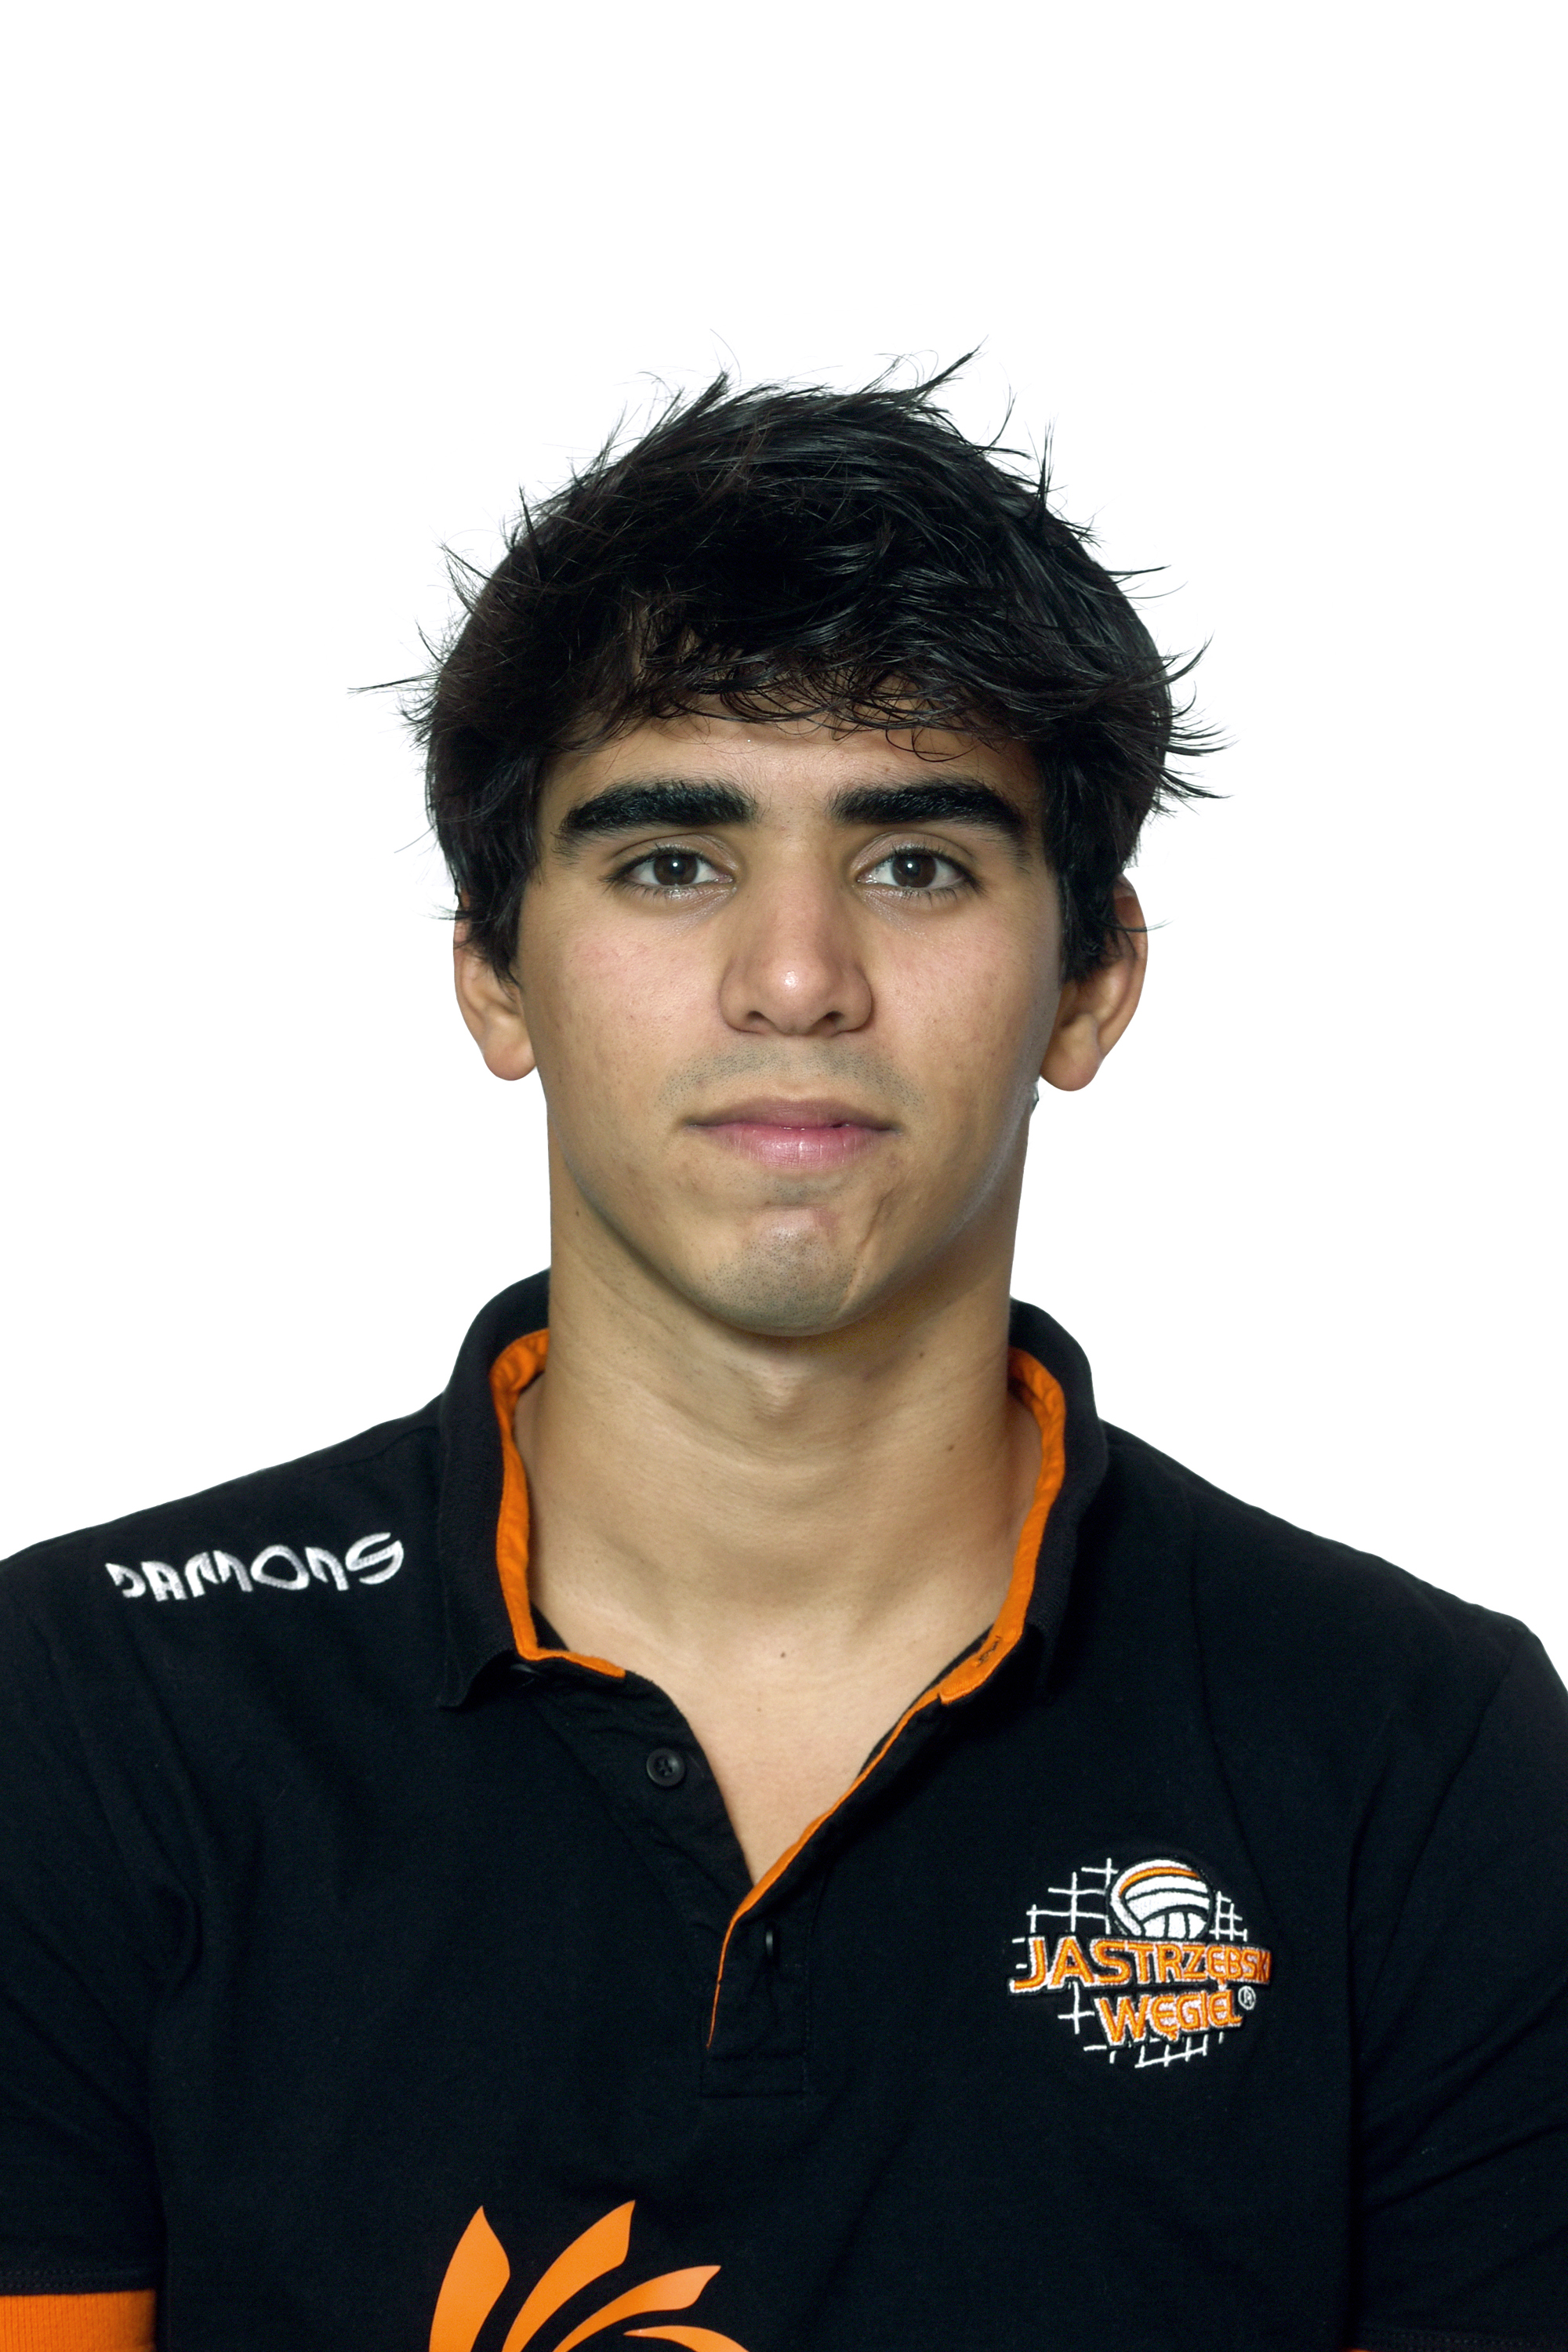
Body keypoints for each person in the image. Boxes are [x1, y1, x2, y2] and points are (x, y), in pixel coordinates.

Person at [2, 372, 1564, 2352]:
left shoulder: (1414, 1755)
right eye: (673, 859)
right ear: (494, 971)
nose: (797, 978)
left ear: (1090, 981)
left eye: (916, 862)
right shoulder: (87, 1712)